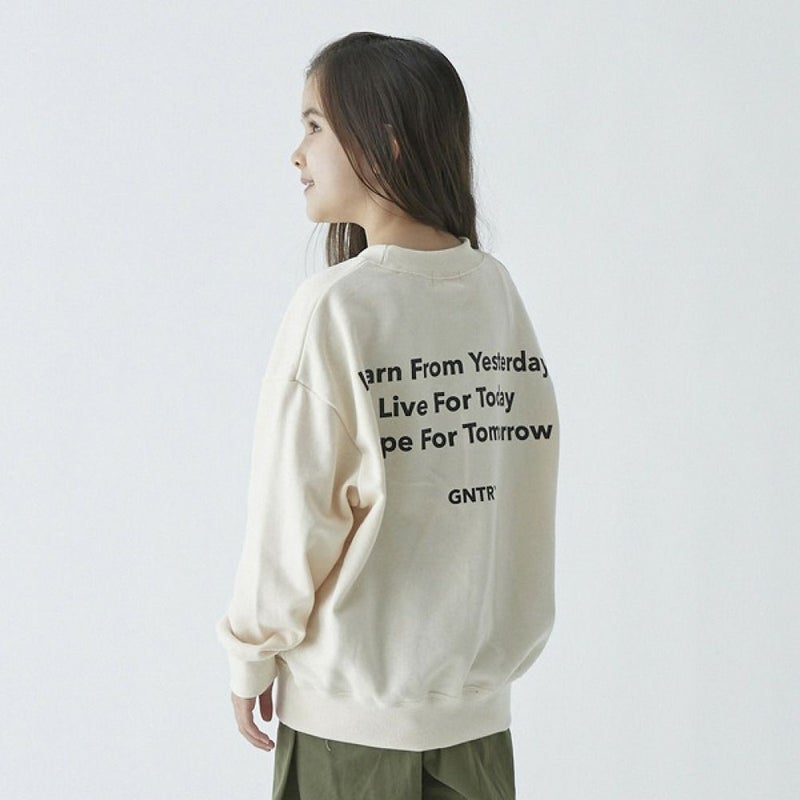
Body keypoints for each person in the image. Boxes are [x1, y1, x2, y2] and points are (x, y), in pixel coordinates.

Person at [217, 31, 559, 800]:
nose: (296, 154)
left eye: (313, 125)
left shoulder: (336, 306)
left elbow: (294, 515)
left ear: (386, 140)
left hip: (351, 738)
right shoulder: (496, 293)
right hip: (478, 735)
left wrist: (250, 653)